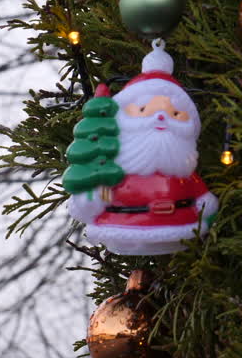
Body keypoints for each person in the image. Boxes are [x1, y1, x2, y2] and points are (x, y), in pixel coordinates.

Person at [67, 39, 218, 256]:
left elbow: (206, 200)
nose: (160, 117)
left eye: (175, 114)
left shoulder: (184, 173)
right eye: (144, 110)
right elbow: (87, 201)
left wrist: (207, 207)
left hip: (182, 225)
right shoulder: (112, 172)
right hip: (121, 225)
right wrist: (90, 197)